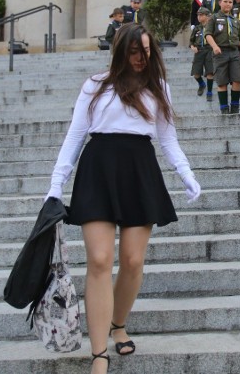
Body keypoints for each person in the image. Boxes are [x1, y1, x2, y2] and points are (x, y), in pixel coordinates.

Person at [45, 23, 202, 373]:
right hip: (98, 168)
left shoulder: (158, 87)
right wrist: (55, 185)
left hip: (139, 170)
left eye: (145, 51)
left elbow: (167, 138)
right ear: (120, 51)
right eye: (133, 51)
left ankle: (119, 323)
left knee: (132, 261)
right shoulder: (96, 85)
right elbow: (75, 136)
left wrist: (186, 173)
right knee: (100, 259)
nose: (140, 58)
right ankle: (99, 352)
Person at [206, 0, 240, 114]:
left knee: (237, 79)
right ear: (220, 3)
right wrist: (214, 46)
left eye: (230, 2)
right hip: (220, 53)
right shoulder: (213, 18)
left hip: (234, 52)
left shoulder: (235, 20)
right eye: (225, 2)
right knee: (222, 81)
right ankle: (224, 108)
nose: (228, 4)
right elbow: (208, 34)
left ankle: (235, 107)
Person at [189, 7, 214, 101]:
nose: (199, 17)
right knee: (196, 73)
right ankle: (202, 84)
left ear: (207, 16)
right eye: (198, 15)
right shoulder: (197, 28)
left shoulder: (212, 27)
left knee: (210, 72)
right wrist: (193, 47)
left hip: (209, 50)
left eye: (201, 15)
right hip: (199, 50)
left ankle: (210, 91)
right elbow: (191, 41)